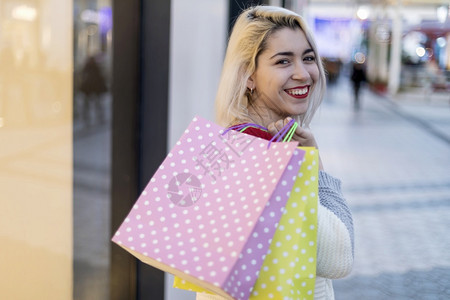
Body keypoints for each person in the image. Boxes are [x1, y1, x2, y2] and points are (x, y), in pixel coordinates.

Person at [199, 6, 354, 300]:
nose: (303, 73)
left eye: (308, 58)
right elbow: (339, 256)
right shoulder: (260, 156)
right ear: (248, 76)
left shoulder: (230, 145)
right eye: (283, 61)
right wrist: (316, 165)